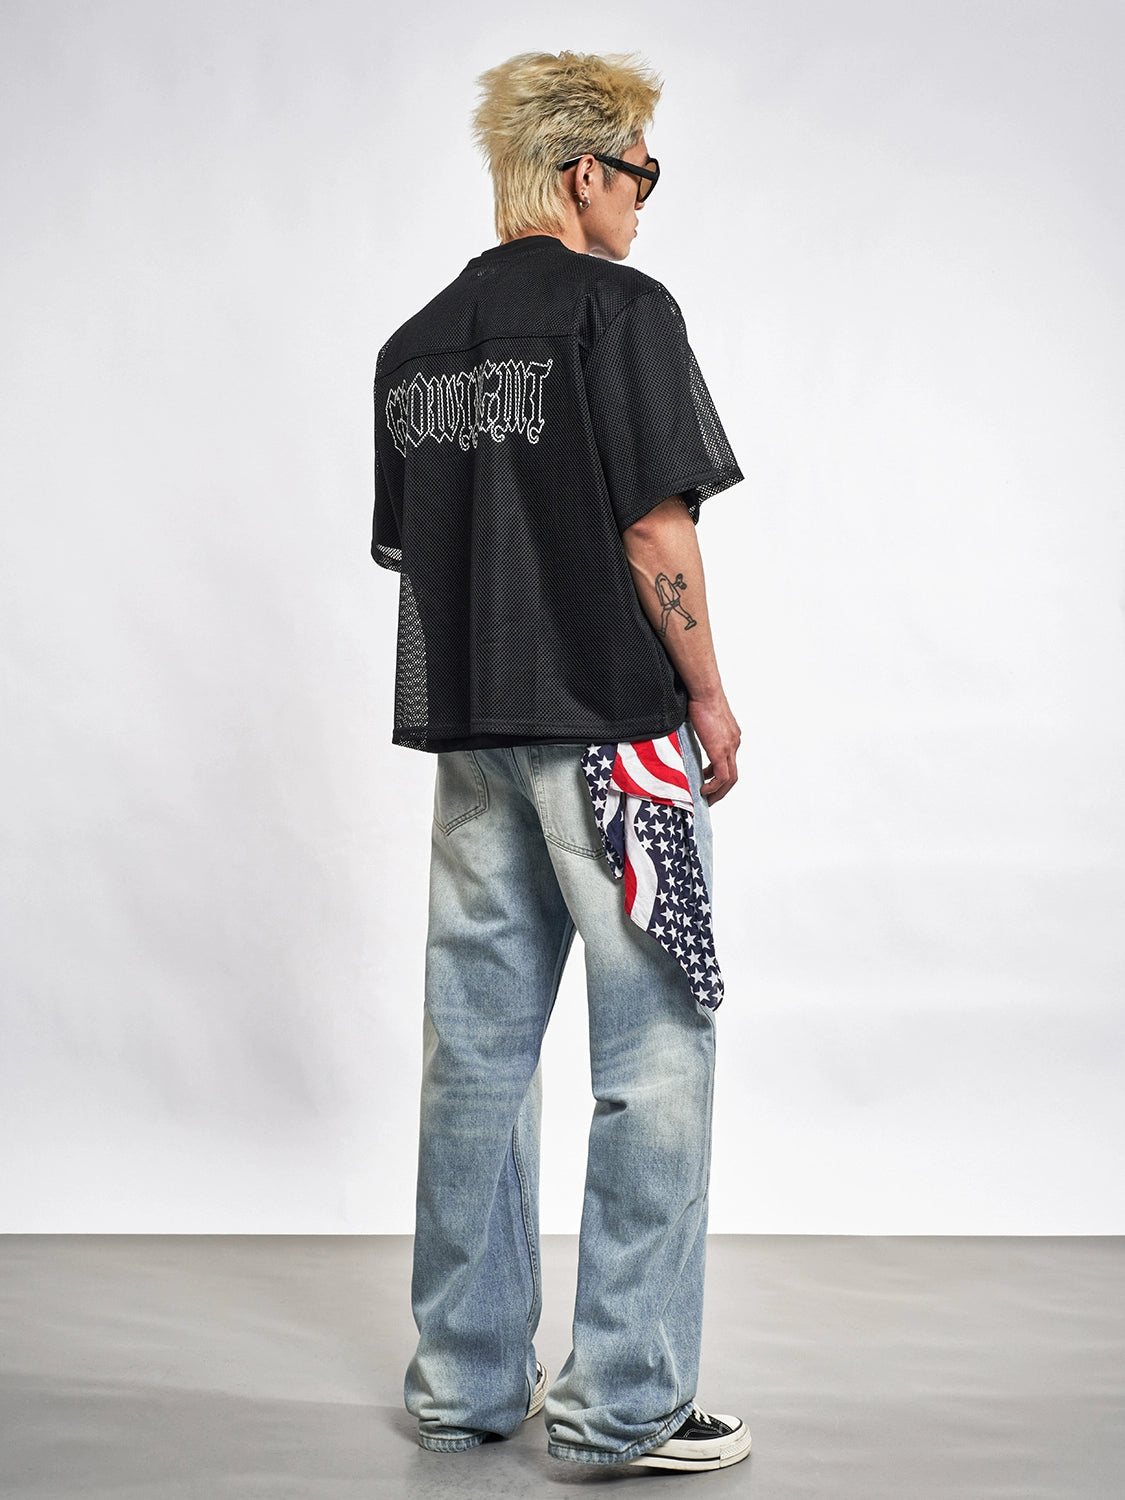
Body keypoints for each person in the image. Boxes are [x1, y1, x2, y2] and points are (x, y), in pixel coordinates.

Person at [371, 49, 750, 1472]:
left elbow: (421, 558)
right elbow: (656, 529)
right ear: (584, 172)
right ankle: (623, 1407)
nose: (644, 202)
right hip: (617, 740)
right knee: (655, 1052)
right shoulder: (620, 311)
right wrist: (706, 693)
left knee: (474, 1054)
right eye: (640, 174)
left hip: (473, 738)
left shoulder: (414, 347)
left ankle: (464, 1388)